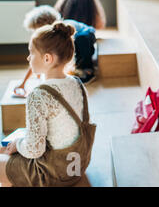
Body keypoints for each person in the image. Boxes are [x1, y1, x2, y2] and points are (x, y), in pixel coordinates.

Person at [0, 22, 96, 187]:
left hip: (55, 172)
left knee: (6, 152)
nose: (28, 58)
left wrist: (19, 144)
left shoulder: (39, 95)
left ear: (47, 58)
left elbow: (34, 150)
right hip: (78, 165)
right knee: (7, 150)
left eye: (31, 53)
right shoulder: (78, 83)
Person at [13, 6, 97, 98]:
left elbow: (66, 56)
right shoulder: (53, 35)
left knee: (80, 41)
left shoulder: (60, 34)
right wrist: (23, 83)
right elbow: (35, 60)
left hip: (87, 34)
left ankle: (87, 69)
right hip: (80, 39)